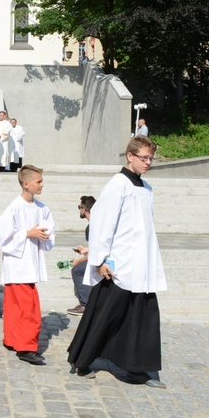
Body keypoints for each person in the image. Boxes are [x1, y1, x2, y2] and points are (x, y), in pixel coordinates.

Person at [67, 136, 167, 389]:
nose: (148, 162)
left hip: (141, 265)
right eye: (143, 157)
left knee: (142, 318)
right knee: (106, 315)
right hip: (119, 264)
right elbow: (102, 222)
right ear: (130, 156)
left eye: (151, 158)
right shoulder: (117, 184)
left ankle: (138, 369)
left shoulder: (146, 188)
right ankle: (83, 360)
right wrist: (99, 260)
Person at [0, 165, 55, 365]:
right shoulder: (14, 207)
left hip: (30, 263)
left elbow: (49, 232)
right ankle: (27, 347)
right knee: (27, 308)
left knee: (15, 306)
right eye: (38, 182)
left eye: (42, 181)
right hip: (18, 264)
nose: (42, 185)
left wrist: (44, 235)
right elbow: (3, 234)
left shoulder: (42, 208)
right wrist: (27, 233)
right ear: (26, 184)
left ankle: (12, 339)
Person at [67, 196, 96, 316]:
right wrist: (86, 250)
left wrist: (78, 261)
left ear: (84, 209)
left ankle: (85, 304)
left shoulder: (91, 227)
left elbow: (96, 253)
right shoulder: (99, 222)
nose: (79, 209)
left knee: (77, 270)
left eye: (79, 207)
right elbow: (98, 248)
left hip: (103, 262)